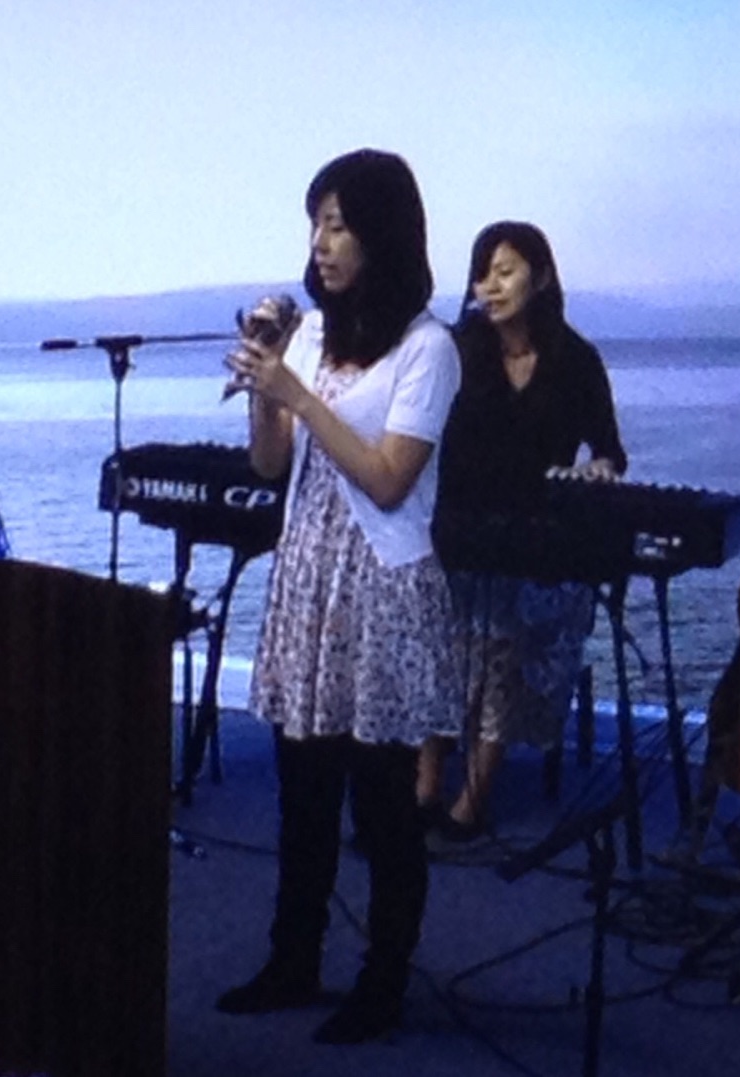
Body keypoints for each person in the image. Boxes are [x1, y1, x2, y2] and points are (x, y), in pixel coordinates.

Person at [215, 148, 462, 1044]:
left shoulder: (431, 348)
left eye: (338, 224)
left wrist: (299, 394)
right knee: (304, 794)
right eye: (315, 223)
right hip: (310, 578)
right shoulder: (313, 333)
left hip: (382, 589)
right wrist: (266, 382)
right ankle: (293, 959)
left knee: (386, 807)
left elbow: (390, 478)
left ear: (382, 234)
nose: (321, 243)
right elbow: (269, 464)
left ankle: (383, 980)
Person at [417, 221, 627, 841]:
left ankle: (473, 798)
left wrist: (597, 469)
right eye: (482, 274)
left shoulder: (577, 360)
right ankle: (423, 787)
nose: (490, 286)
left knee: (510, 632)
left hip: (539, 543)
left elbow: (611, 451)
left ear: (541, 277)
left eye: (505, 272)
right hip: (457, 532)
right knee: (437, 632)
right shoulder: (456, 351)